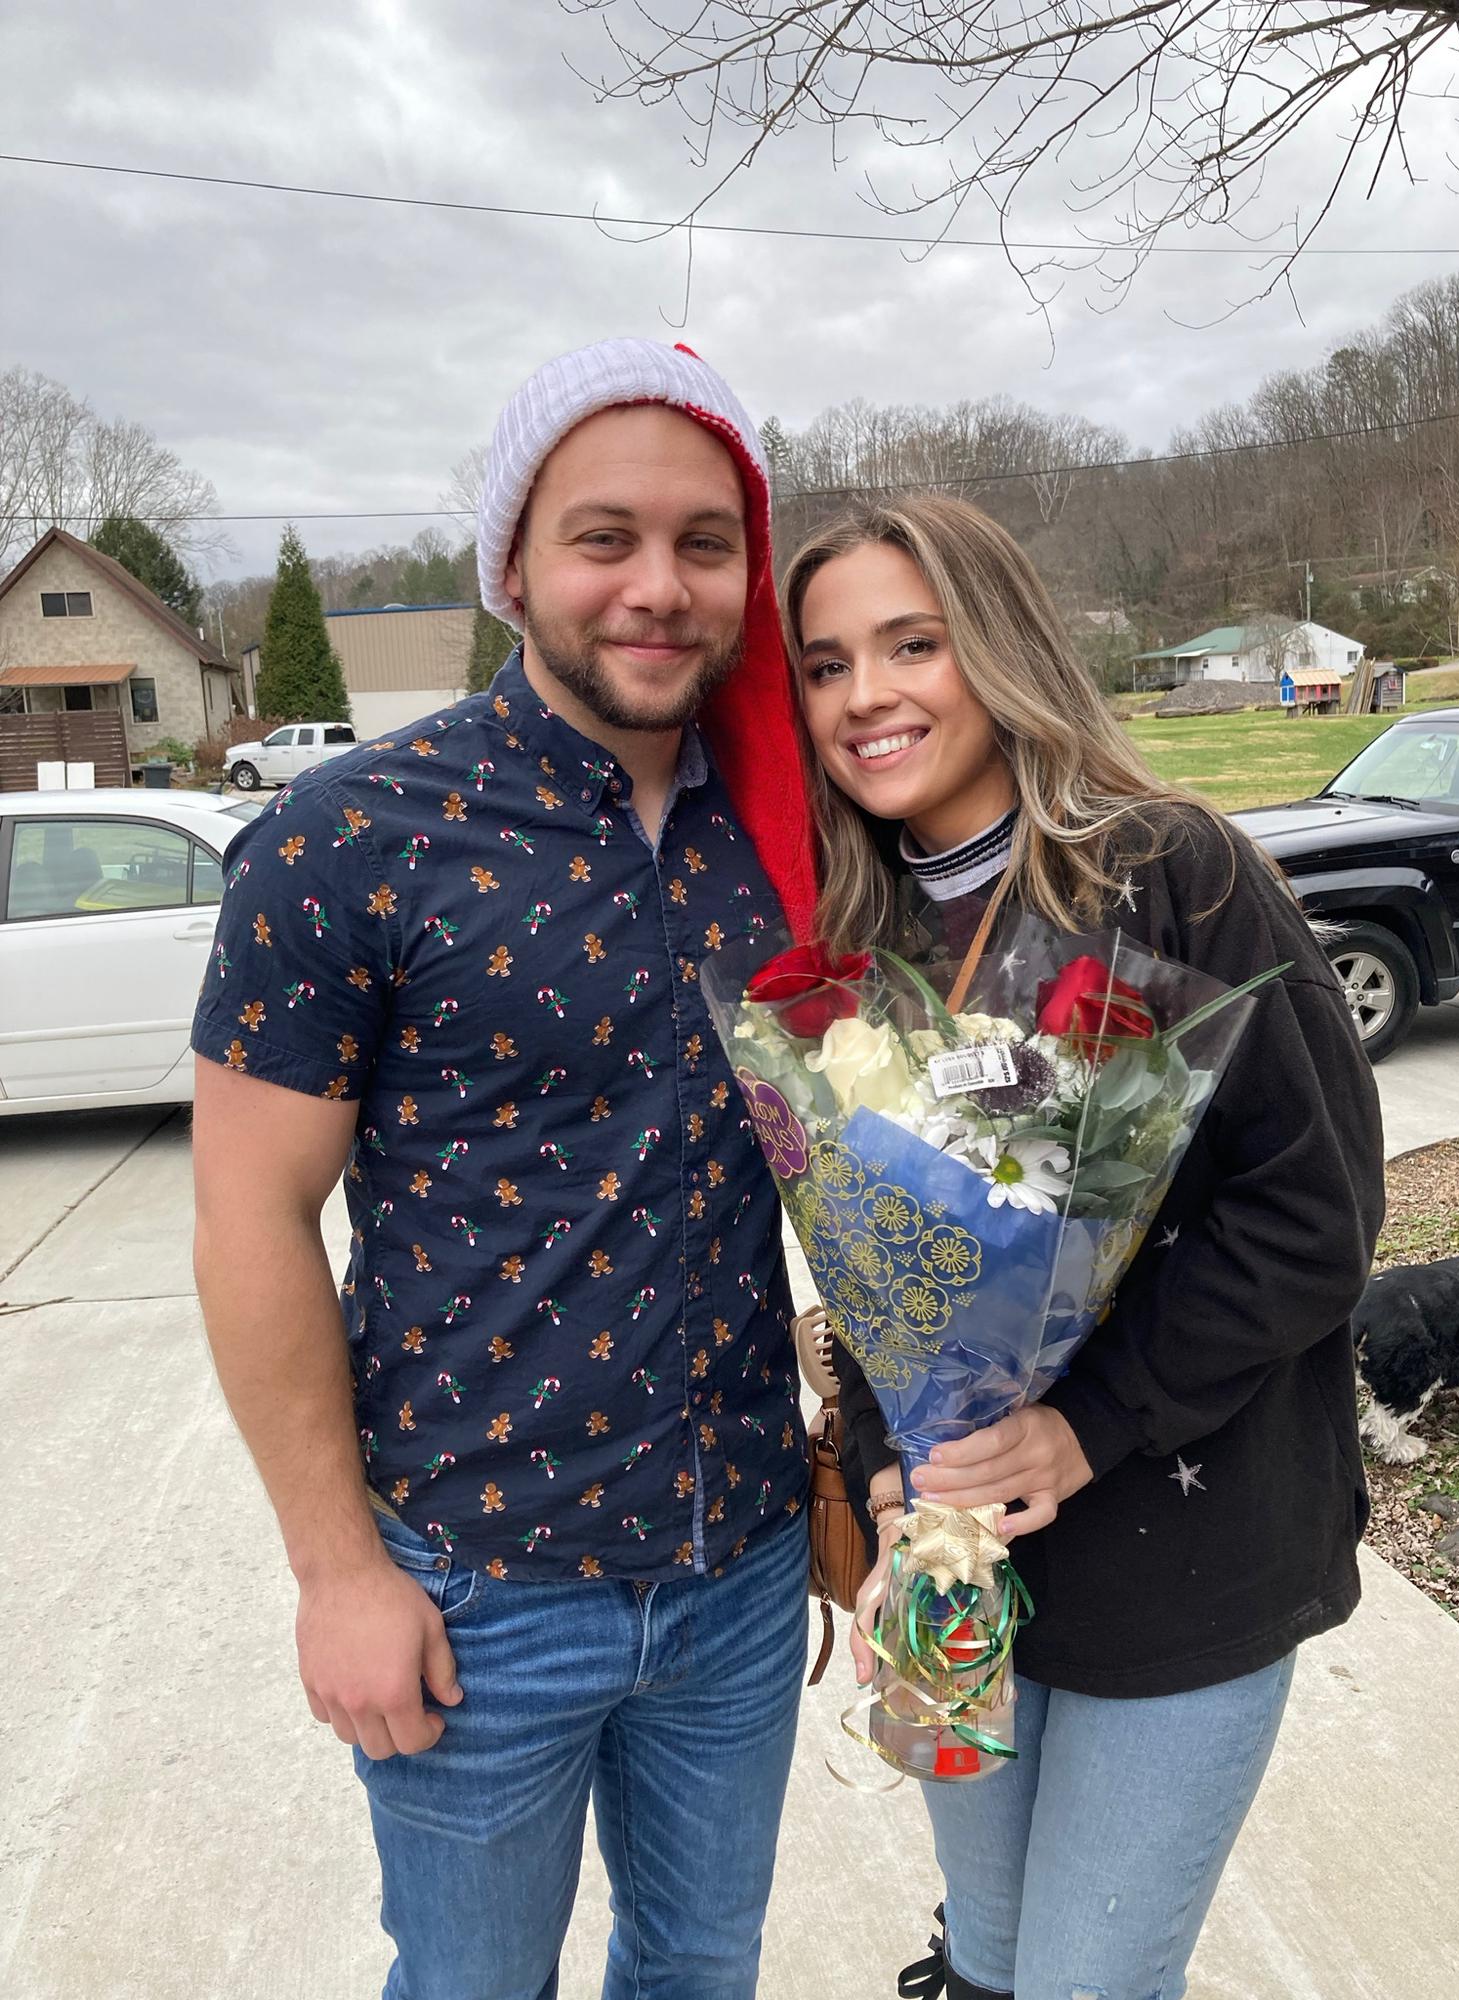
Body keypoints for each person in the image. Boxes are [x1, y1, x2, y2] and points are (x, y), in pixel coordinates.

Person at [190, 337, 820, 2000]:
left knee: (701, 1965)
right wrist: (337, 1572)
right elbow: (249, 1212)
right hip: (474, 1590)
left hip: (742, 1567)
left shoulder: (788, 823)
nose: (658, 587)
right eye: (603, 537)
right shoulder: (347, 839)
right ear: (515, 565)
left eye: (705, 543)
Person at [780, 494, 1384, 2000]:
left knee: (1087, 1982)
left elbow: (1317, 1214)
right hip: (945, 1568)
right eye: (826, 661)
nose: (868, 696)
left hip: (1184, 1555)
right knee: (985, 1958)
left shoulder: (1169, 871)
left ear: (1000, 645)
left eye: (912, 643)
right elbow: (870, 1269)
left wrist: (1082, 1424)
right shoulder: (836, 944)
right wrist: (881, 1490)